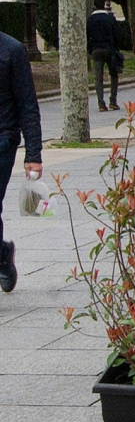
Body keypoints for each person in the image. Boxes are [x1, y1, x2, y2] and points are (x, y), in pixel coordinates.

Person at [0, 30, 42, 293]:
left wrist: (34, 154)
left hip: (3, 139)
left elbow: (27, 103)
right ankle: (3, 253)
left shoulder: (12, 50)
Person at [86, 0, 120, 111]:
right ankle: (113, 101)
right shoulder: (110, 18)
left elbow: (87, 37)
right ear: (104, 5)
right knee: (114, 75)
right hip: (109, 49)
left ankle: (101, 103)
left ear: (94, 7)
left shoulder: (90, 20)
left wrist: (90, 49)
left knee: (98, 77)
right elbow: (117, 35)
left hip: (96, 50)